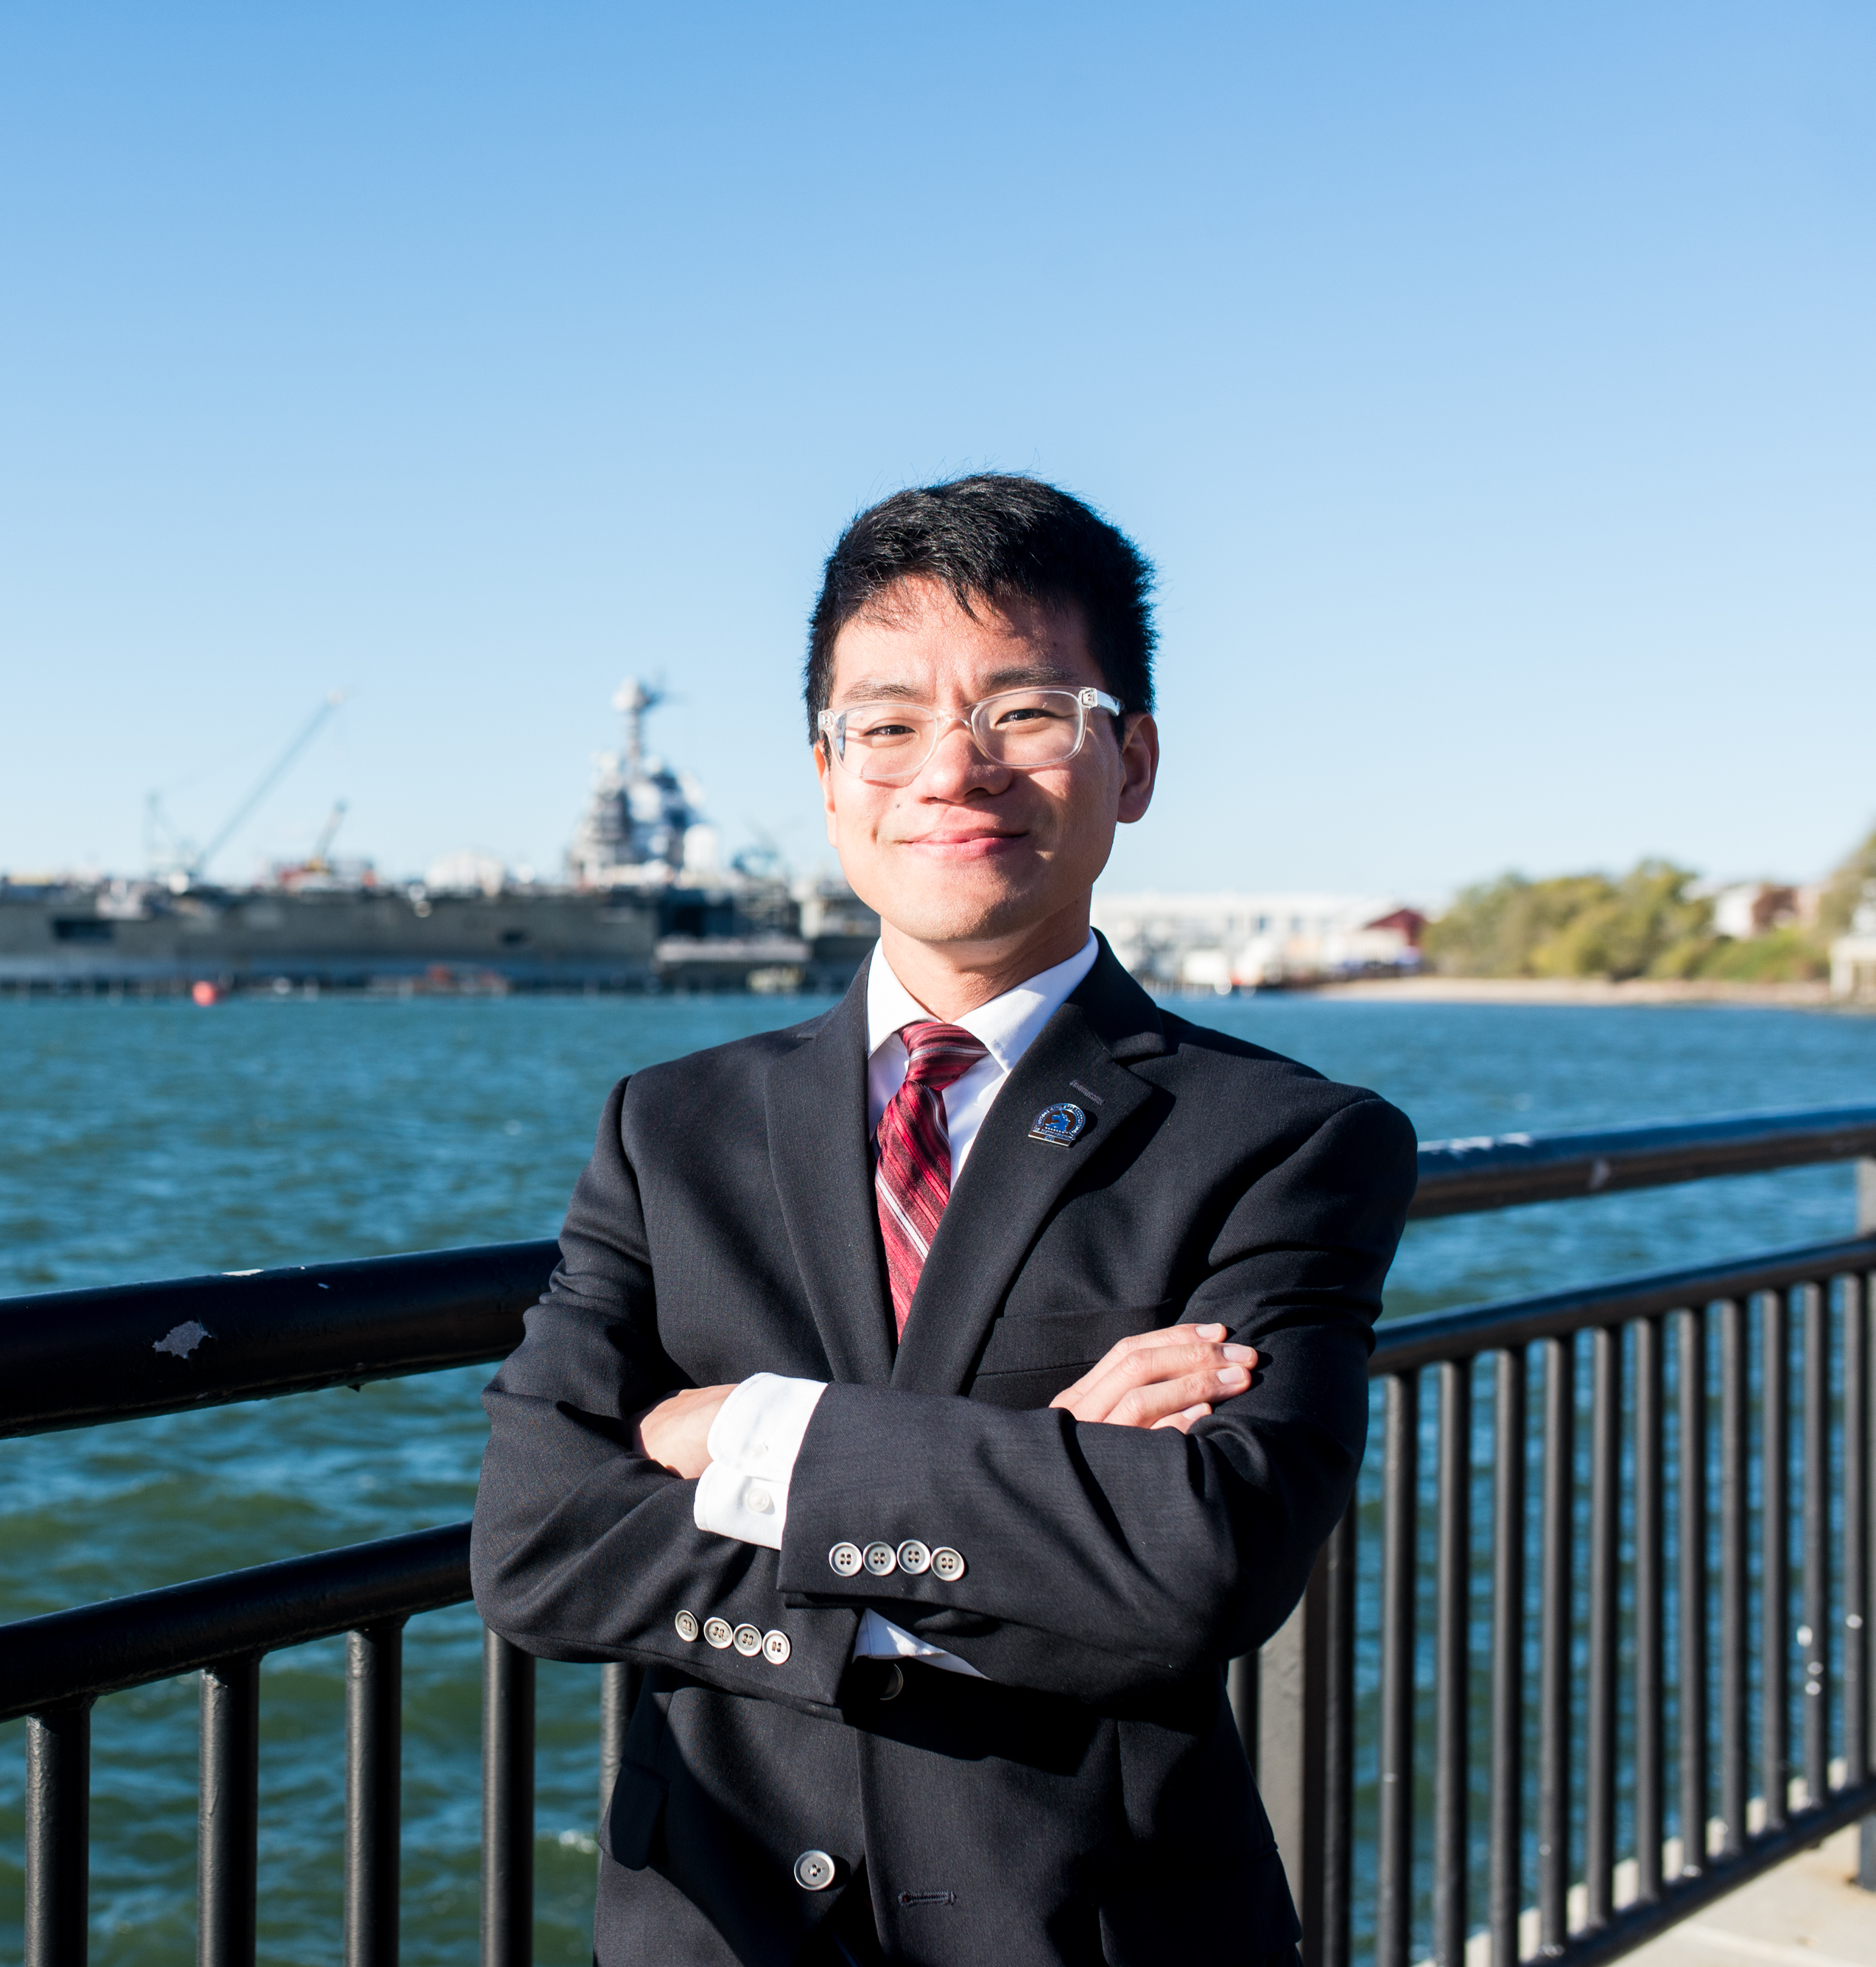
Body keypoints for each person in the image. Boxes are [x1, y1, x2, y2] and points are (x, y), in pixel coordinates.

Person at [472, 474, 1415, 1967]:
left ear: (1134, 760)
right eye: (888, 723)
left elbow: (1203, 1567)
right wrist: (1036, 1494)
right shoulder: (668, 1127)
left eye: (1025, 712)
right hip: (707, 1924)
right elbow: (535, 1542)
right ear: (826, 770)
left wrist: (743, 1436)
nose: (948, 772)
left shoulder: (1286, 1142)